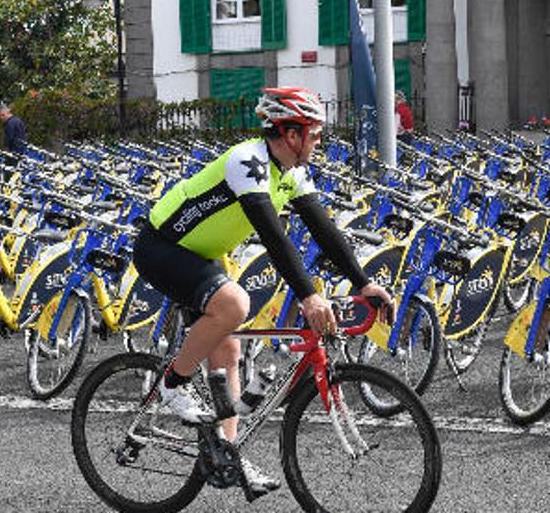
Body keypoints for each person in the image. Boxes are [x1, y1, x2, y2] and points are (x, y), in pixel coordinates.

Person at [132, 86, 393, 494]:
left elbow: (323, 229)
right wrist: (309, 297)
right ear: (292, 134)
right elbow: (275, 237)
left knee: (228, 348)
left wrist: (364, 282)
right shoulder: (247, 161)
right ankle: (171, 384)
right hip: (162, 247)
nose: (320, 139)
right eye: (315, 131)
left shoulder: (290, 172)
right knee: (234, 303)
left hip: (201, 254)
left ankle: (227, 453)